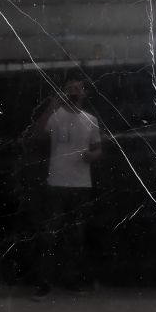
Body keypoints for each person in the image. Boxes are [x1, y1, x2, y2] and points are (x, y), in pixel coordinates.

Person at [28, 78, 103, 299]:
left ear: (84, 93)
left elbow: (98, 149)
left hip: (81, 184)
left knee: (75, 237)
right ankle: (44, 283)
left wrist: (92, 156)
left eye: (77, 89)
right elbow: (37, 135)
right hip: (57, 184)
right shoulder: (55, 115)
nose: (73, 92)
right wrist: (52, 106)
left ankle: (71, 281)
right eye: (69, 89)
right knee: (49, 236)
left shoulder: (91, 120)